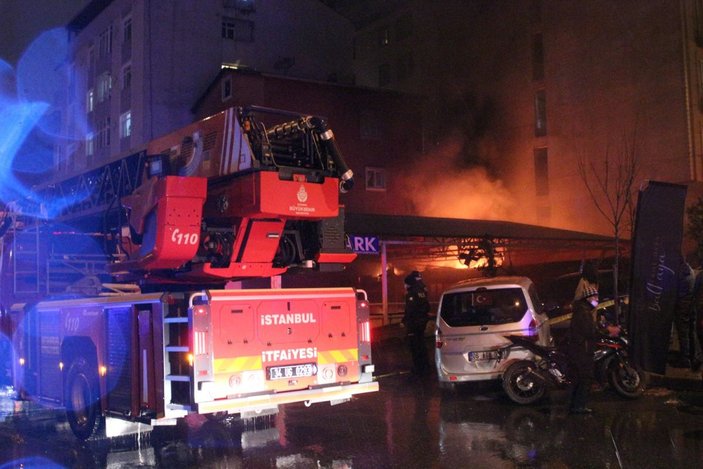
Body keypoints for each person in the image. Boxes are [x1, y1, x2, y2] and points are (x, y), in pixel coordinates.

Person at [567, 284, 619, 414]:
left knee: (580, 379)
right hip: (582, 351)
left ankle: (575, 405)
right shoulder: (584, 313)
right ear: (589, 298)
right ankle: (579, 406)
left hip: (580, 350)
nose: (597, 299)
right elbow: (590, 332)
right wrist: (607, 330)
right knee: (585, 378)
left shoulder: (583, 311)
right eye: (595, 296)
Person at [402, 270, 431, 376]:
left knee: (415, 345)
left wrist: (405, 321)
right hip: (422, 321)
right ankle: (425, 366)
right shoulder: (422, 290)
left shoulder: (412, 293)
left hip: (414, 323)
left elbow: (410, 309)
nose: (404, 286)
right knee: (422, 344)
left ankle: (418, 368)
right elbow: (426, 306)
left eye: (405, 284)